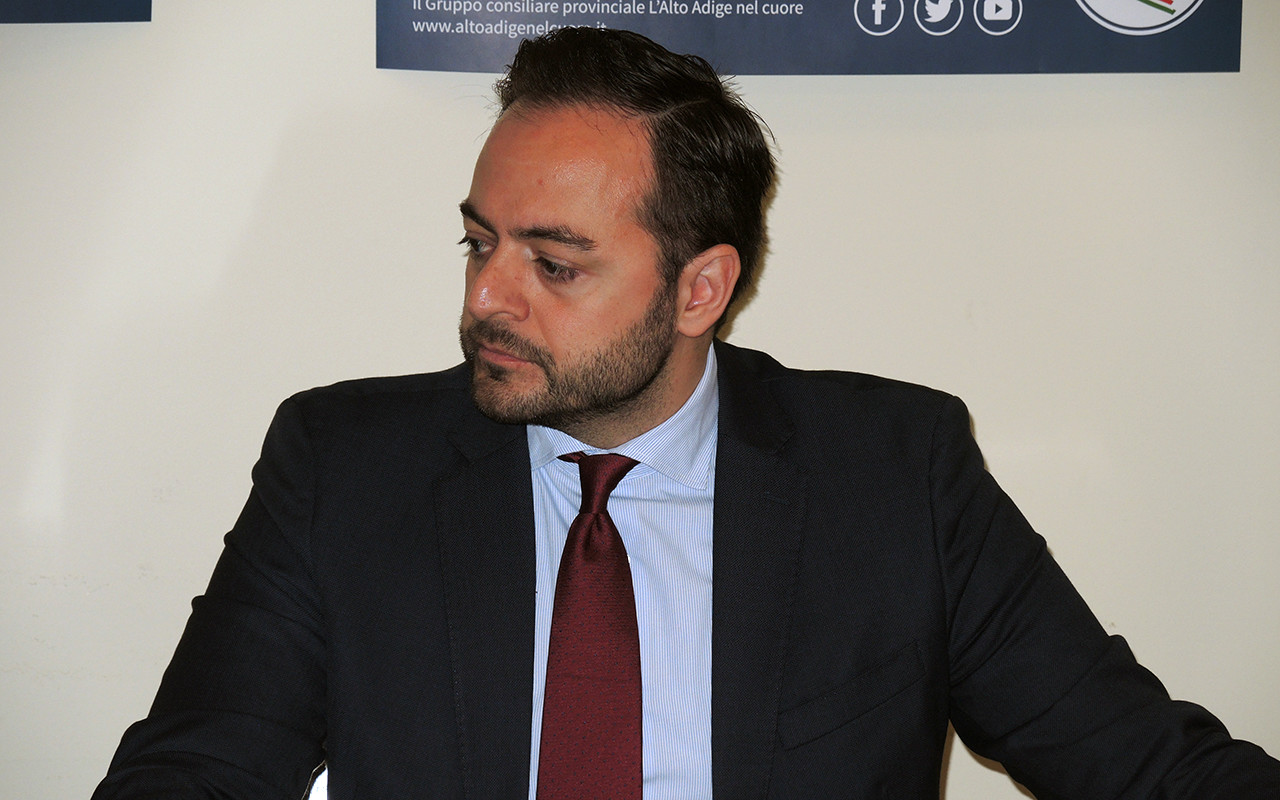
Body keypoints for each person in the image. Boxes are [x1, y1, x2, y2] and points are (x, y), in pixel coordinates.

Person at [94, 26, 1279, 800]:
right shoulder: (345, 468)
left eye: (553, 263)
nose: (485, 297)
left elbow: (1144, 769)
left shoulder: (892, 476)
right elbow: (196, 771)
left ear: (698, 289)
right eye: (477, 242)